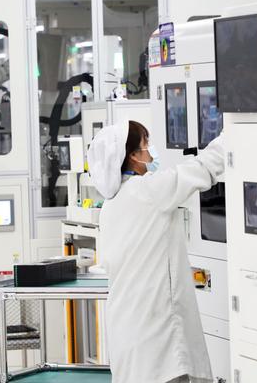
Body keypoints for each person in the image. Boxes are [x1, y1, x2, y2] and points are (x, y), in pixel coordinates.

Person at [87, 120, 225, 383]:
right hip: (155, 330)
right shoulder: (148, 191)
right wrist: (229, 135)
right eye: (146, 144)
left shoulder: (111, 204)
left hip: (126, 326)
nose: (151, 150)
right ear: (132, 155)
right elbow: (201, 169)